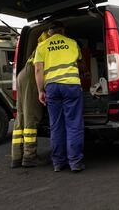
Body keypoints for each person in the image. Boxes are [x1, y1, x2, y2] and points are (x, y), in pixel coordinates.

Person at [34, 21, 85, 172]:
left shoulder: (42, 46)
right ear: (63, 31)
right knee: (73, 124)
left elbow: (38, 69)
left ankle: (58, 163)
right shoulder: (73, 43)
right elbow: (81, 64)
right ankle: (75, 162)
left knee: (56, 125)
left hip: (52, 87)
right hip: (71, 85)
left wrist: (40, 91)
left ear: (49, 32)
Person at [11, 32, 48, 168]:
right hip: (31, 75)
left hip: (22, 74)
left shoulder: (41, 43)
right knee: (31, 116)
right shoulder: (50, 44)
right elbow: (40, 69)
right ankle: (29, 156)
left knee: (21, 116)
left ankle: (16, 156)